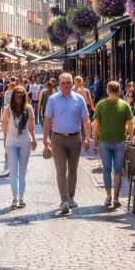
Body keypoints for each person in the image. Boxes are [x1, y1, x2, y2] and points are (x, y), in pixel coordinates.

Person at [43, 73, 91, 215]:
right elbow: (47, 120)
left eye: (68, 83)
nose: (66, 85)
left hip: (75, 137)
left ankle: (71, 197)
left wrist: (87, 137)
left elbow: (86, 119)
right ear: (59, 83)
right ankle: (63, 199)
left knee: (73, 170)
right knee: (61, 169)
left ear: (72, 84)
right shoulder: (53, 99)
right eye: (63, 83)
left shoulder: (79, 99)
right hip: (57, 138)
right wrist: (45, 139)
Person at [92, 81, 135, 209]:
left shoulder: (101, 104)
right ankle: (116, 196)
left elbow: (96, 124)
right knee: (118, 170)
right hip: (120, 140)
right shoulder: (125, 105)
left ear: (107, 90)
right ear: (119, 91)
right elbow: (131, 124)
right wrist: (131, 139)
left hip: (104, 140)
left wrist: (94, 139)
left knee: (106, 170)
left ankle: (109, 195)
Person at [2, 86, 37, 209]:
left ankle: (21, 197)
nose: (18, 96)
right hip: (11, 142)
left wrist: (34, 140)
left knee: (22, 172)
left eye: (21, 94)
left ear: (24, 95)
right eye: (16, 94)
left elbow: (31, 127)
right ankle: (15, 198)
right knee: (13, 171)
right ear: (13, 95)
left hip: (25, 142)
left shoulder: (29, 109)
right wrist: (5, 140)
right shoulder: (8, 110)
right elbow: (4, 125)